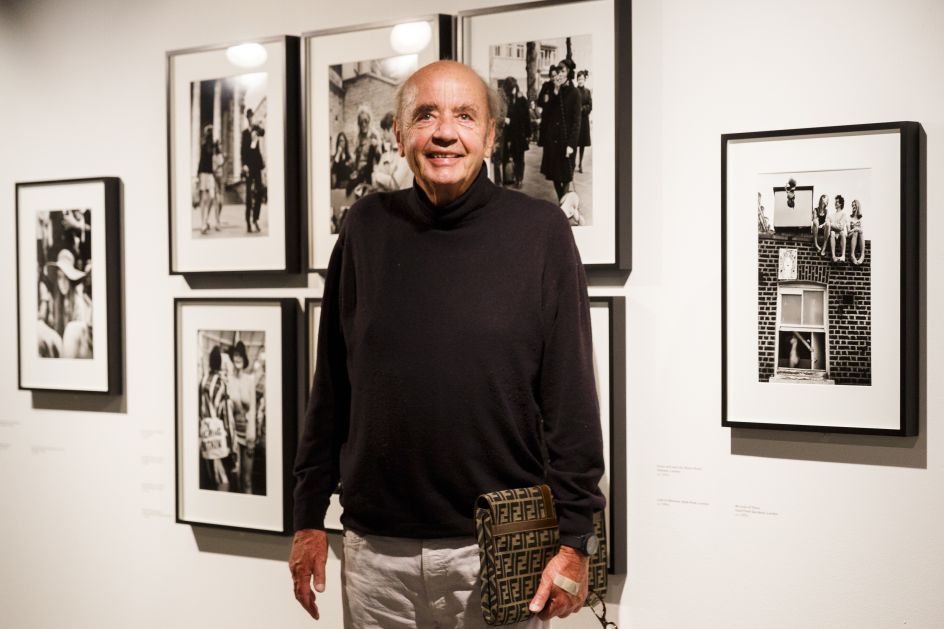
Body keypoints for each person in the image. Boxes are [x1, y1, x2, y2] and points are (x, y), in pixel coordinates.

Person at [290, 60, 604, 628]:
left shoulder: (540, 232)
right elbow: (331, 387)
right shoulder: (363, 228)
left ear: (489, 134)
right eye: (425, 114)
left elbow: (572, 398)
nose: (443, 132)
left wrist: (576, 539)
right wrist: (308, 516)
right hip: (374, 558)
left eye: (464, 115)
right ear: (398, 132)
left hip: (496, 552)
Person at [539, 62, 582, 203]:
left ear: (568, 72)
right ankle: (562, 203)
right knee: (555, 175)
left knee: (567, 175)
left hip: (566, 141)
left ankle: (564, 205)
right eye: (559, 72)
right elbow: (548, 112)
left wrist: (571, 144)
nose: (560, 74)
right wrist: (555, 93)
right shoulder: (554, 90)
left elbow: (576, 122)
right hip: (553, 141)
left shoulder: (575, 93)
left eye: (563, 71)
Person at [199, 345, 233, 491]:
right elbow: (226, 415)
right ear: (219, 363)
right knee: (223, 478)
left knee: (211, 475)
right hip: (218, 435)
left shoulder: (202, 381)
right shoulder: (221, 384)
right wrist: (231, 441)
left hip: (205, 433)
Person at [229, 340, 257, 494]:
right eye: (235, 355)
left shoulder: (250, 380)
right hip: (233, 436)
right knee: (236, 477)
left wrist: (251, 437)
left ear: (244, 358)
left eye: (240, 355)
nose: (237, 358)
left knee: (246, 480)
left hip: (248, 434)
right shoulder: (229, 380)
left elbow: (253, 409)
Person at [501, 76, 531, 189]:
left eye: (514, 87)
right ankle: (511, 177)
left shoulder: (522, 99)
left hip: (520, 134)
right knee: (511, 156)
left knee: (520, 159)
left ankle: (519, 179)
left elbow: (526, 118)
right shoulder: (508, 100)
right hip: (510, 134)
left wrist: (528, 134)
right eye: (511, 88)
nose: (513, 90)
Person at [371, 112, 411, 192]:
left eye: (384, 130)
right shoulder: (386, 154)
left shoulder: (406, 153)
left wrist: (377, 176)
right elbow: (374, 183)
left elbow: (395, 184)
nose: (382, 135)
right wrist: (386, 178)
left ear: (392, 129)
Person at [241, 108, 266, 233]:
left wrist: (258, 126)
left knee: (260, 191)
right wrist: (244, 164)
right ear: (247, 118)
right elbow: (242, 151)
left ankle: (255, 218)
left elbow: (263, 132)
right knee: (249, 196)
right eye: (250, 117)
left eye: (252, 116)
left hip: (257, 165)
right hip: (248, 167)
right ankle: (248, 222)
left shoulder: (256, 129)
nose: (251, 119)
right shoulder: (245, 133)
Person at [197, 125, 216, 234]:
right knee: (204, 199)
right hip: (204, 173)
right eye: (210, 132)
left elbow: (218, 159)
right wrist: (197, 176)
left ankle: (205, 220)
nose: (211, 134)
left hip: (210, 174)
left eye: (212, 132)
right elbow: (201, 161)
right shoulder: (204, 146)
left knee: (212, 198)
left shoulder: (213, 146)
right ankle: (203, 223)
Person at [574, 70, 592, 174]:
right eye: (579, 79)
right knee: (575, 142)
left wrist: (583, 109)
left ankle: (580, 163)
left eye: (582, 79)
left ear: (584, 80)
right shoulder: (574, 91)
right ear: (577, 80)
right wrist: (577, 109)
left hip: (584, 120)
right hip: (576, 120)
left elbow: (590, 105)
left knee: (582, 144)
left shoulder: (588, 92)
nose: (580, 81)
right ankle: (573, 163)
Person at [829, 194, 850, 262]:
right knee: (832, 233)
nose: (835, 203)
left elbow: (840, 227)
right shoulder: (832, 215)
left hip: (840, 234)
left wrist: (831, 224)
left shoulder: (843, 214)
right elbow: (831, 226)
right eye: (835, 201)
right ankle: (833, 256)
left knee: (842, 233)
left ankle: (843, 256)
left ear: (840, 204)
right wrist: (833, 225)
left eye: (837, 202)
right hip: (834, 234)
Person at [849, 199, 865, 265]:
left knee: (860, 232)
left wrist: (857, 229)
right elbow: (848, 231)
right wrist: (855, 229)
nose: (853, 206)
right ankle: (852, 255)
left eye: (855, 205)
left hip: (858, 235)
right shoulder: (849, 217)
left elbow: (862, 230)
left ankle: (862, 255)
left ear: (858, 206)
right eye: (852, 205)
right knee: (856, 231)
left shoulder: (861, 218)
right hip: (851, 235)